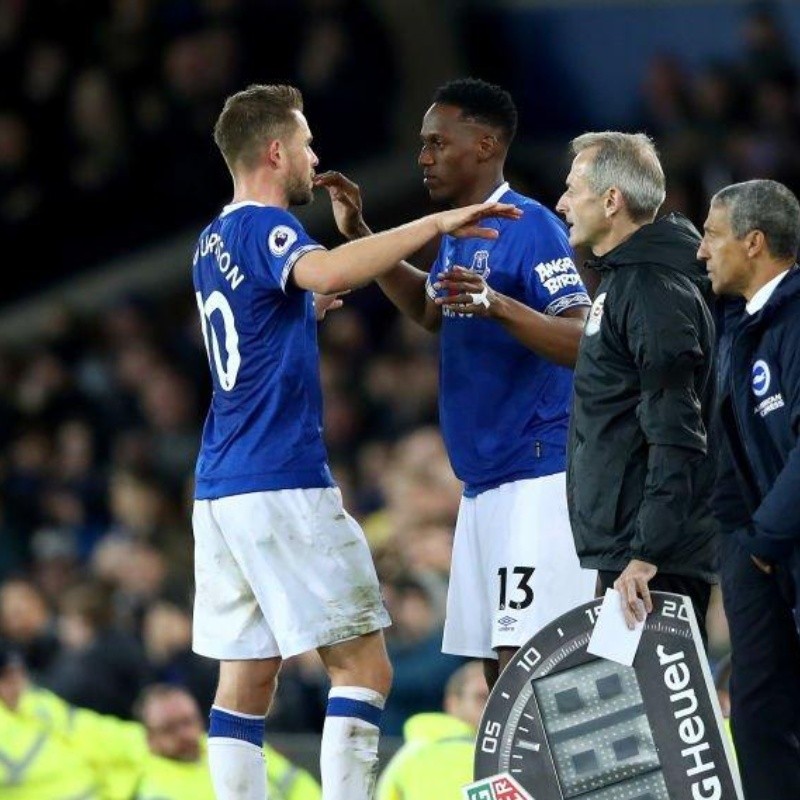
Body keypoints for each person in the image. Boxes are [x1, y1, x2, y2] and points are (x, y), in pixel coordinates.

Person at [191, 82, 520, 800]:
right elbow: (329, 268)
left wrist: (295, 315)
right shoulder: (263, 227)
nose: (315, 157)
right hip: (281, 480)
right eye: (306, 144)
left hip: (220, 488)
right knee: (364, 668)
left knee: (246, 678)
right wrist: (439, 223)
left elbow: (250, 330)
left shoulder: (210, 240)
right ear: (276, 151)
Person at [315, 77, 596, 688]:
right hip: (483, 484)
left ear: (486, 144)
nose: (423, 157)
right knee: (498, 675)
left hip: (537, 477)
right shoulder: (458, 232)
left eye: (438, 143)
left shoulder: (531, 226)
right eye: (422, 145)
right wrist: (363, 239)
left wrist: (499, 305)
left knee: (536, 670)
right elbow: (430, 310)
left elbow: (582, 340)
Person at [555, 132, 717, 638]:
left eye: (572, 189)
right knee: (633, 712)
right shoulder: (630, 280)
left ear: (610, 200)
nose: (561, 203)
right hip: (635, 552)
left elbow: (676, 431)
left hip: (651, 561)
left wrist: (647, 553)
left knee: (651, 713)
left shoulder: (650, 288)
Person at [696, 178, 800, 799]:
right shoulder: (738, 326)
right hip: (759, 554)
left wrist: (764, 537)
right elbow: (732, 452)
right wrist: (739, 546)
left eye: (712, 235)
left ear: (754, 243)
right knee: (758, 711)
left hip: (777, 541)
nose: (702, 250)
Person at [135, 684, 321, 800]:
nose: (184, 734)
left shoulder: (231, 745)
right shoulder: (153, 785)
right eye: (170, 728)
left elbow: (296, 784)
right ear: (150, 738)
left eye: (187, 722)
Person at [376, 660, 487, 800]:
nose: (493, 708)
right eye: (482, 698)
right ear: (453, 704)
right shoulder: (446, 755)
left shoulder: (414, 750)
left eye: (497, 699)